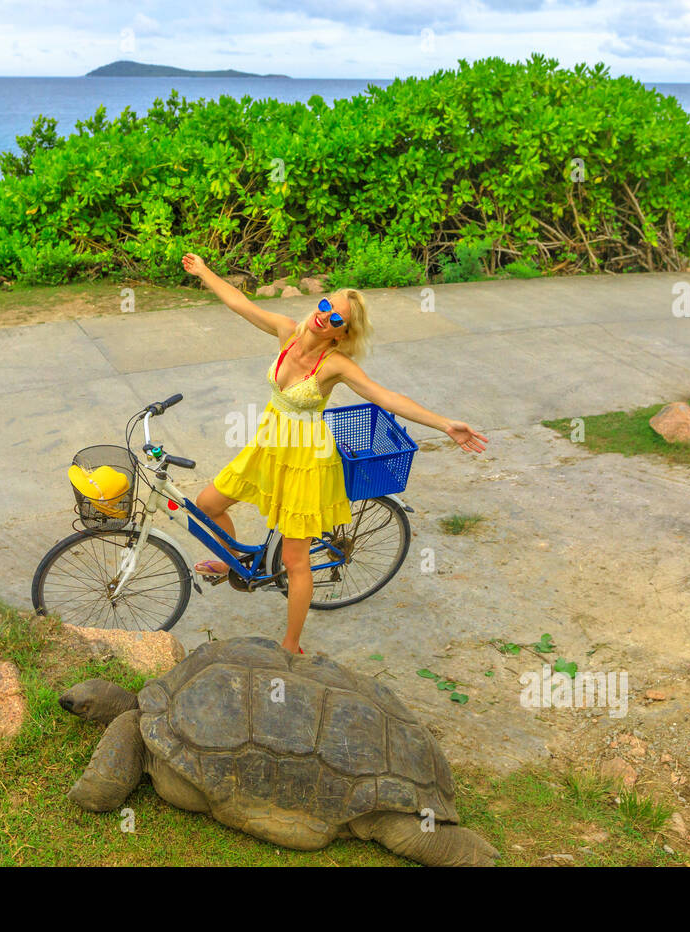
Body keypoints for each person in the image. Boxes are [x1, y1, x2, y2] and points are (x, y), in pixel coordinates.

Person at [181, 252, 489, 653]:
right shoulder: (286, 332)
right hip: (268, 447)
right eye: (326, 306)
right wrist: (204, 272)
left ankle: (292, 644)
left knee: (294, 560)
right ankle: (233, 564)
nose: (325, 316)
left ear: (341, 334)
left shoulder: (335, 365)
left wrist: (445, 423)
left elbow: (386, 396)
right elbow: (241, 305)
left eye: (337, 318)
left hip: (307, 462)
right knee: (207, 505)